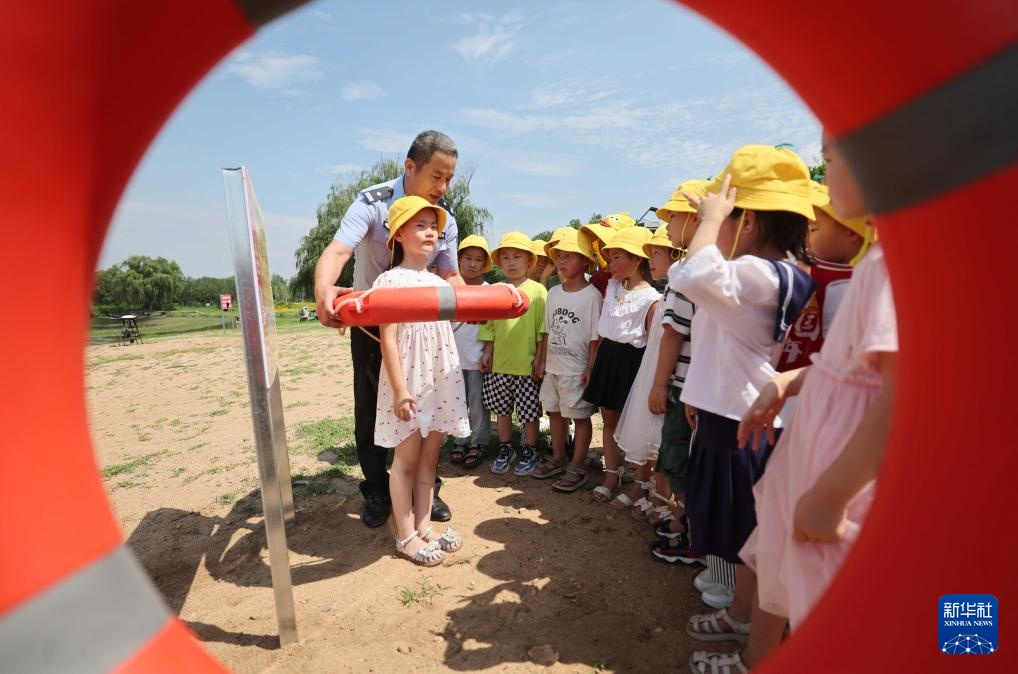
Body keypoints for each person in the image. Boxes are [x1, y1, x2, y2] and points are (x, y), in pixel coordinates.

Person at [688, 137, 896, 673]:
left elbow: (901, 390)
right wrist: (791, 383)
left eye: (834, 155)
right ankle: (755, 651)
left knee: (816, 574)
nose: (823, 177)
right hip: (810, 434)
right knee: (774, 549)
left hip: (836, 454)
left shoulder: (894, 271)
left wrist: (832, 493)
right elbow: (851, 367)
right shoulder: (879, 265)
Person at [670, 146, 816, 614]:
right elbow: (686, 272)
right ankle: (736, 604)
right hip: (731, 408)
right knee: (727, 515)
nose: (711, 229)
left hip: (741, 418)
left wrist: (711, 220)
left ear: (748, 222)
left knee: (741, 523)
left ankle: (740, 608)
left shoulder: (761, 274)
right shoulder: (763, 273)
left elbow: (691, 272)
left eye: (726, 218)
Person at [314, 130, 462, 528]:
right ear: (410, 167)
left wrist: (478, 302)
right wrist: (323, 289)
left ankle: (428, 488)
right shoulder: (373, 201)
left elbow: (450, 274)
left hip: (420, 328)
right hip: (371, 327)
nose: (442, 187)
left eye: (448, 178)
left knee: (425, 401)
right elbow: (339, 250)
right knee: (372, 406)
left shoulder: (443, 217)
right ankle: (378, 489)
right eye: (436, 176)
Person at [371, 196, 470, 566]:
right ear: (397, 234)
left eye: (434, 226)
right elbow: (390, 339)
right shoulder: (390, 280)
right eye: (420, 225)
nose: (430, 232)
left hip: (439, 378)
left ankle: (425, 526)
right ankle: (406, 534)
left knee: (430, 460)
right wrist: (399, 389)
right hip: (410, 380)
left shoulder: (439, 282)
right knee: (406, 460)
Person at [647, 180, 709, 566]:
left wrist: (659, 383)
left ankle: (689, 531)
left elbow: (674, 332)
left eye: (672, 217)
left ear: (694, 218)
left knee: (679, 459)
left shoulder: (688, 270)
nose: (667, 226)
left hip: (684, 387)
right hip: (703, 387)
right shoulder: (720, 265)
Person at [581, 226, 659, 504]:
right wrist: (592, 365)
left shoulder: (652, 299)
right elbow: (603, 332)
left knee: (639, 424)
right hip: (607, 358)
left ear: (637, 260)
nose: (609, 263)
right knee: (609, 420)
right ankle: (612, 475)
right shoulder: (612, 286)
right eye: (609, 257)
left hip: (634, 364)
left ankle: (640, 483)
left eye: (616, 257)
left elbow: (652, 343)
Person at [611, 225, 678, 518]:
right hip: (652, 372)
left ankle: (665, 498)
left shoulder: (674, 295)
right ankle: (651, 489)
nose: (651, 258)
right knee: (653, 434)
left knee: (666, 438)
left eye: (658, 252)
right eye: (650, 252)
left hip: (667, 377)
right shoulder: (667, 295)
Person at [775, 182, 875, 371]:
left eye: (813, 230)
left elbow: (839, 351)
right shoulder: (815, 268)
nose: (807, 239)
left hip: (809, 380)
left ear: (851, 232)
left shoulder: (841, 282)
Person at [530, 228, 602, 491]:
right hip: (554, 367)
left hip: (576, 369)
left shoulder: (592, 296)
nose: (562, 261)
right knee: (555, 412)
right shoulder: (553, 293)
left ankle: (577, 465)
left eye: (570, 255)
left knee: (581, 417)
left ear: (586, 262)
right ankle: (559, 456)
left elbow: (596, 338)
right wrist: (541, 359)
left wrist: (591, 367)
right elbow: (548, 331)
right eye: (559, 255)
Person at [479, 232, 548, 476]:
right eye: (506, 257)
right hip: (500, 364)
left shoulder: (539, 291)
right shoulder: (497, 291)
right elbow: (490, 326)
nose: (511, 262)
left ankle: (531, 449)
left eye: (517, 256)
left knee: (529, 413)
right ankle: (506, 448)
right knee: (502, 410)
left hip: (527, 365)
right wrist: (488, 352)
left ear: (529, 261)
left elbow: (543, 329)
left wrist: (540, 359)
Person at [450, 234, 493, 469]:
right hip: (452, 358)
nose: (472, 264)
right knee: (456, 402)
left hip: (477, 358)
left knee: (477, 403)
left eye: (478, 259)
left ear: (484, 263)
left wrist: (488, 351)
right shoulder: (449, 287)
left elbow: (492, 327)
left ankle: (478, 442)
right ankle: (460, 440)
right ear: (458, 259)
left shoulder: (489, 290)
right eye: (467, 258)